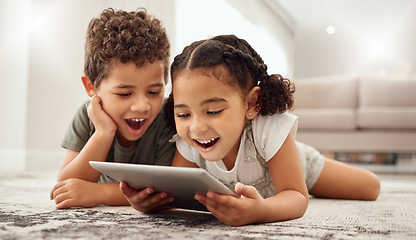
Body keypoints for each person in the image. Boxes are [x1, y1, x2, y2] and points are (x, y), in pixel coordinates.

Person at [121, 35, 380, 226]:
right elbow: (177, 194)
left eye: (213, 111)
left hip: (296, 162)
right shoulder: (188, 140)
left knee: (369, 188)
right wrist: (149, 203)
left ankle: (324, 159)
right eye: (183, 114)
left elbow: (296, 196)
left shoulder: (268, 128)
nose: (197, 127)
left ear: (251, 103)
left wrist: (262, 211)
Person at [50, 8, 176, 209]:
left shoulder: (168, 119)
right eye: (125, 94)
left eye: (153, 92)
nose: (142, 106)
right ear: (91, 87)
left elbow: (166, 189)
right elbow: (66, 186)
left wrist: (97, 193)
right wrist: (103, 132)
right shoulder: (86, 116)